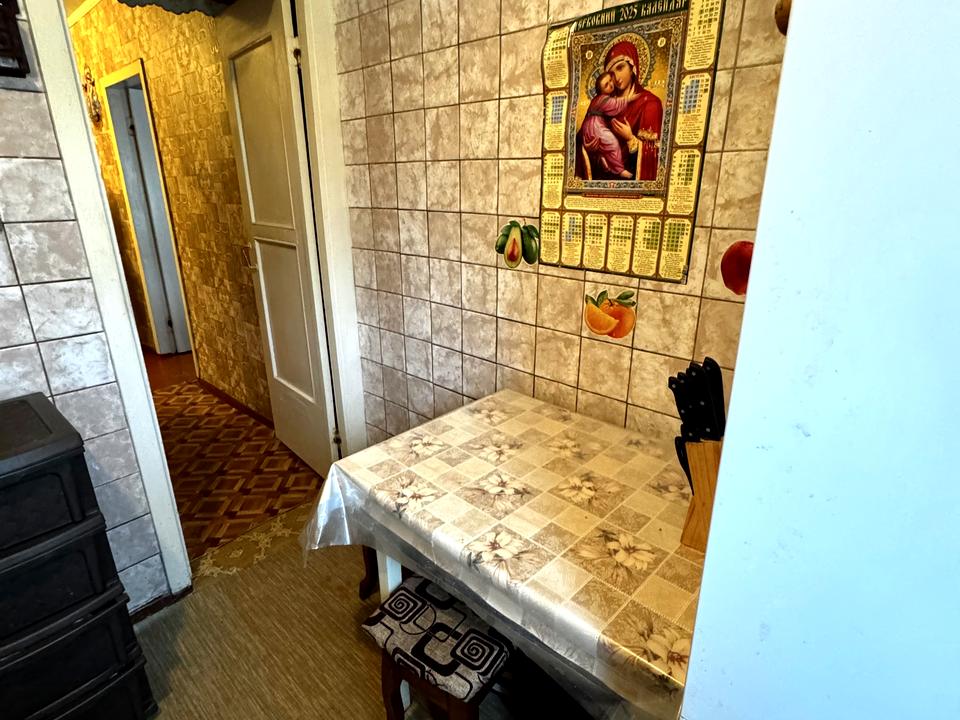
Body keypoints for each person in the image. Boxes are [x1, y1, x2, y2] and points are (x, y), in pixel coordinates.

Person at [576, 39, 663, 182]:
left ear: (632, 66)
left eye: (620, 68)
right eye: (611, 73)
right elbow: (579, 142)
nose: (616, 78)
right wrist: (589, 148)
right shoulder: (603, 103)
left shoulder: (650, 103)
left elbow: (654, 157)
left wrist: (630, 139)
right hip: (602, 185)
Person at [580, 71, 635, 179]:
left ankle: (603, 158)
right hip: (595, 126)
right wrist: (629, 98)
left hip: (588, 127)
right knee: (612, 142)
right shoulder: (604, 99)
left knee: (603, 144)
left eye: (610, 80)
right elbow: (616, 105)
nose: (611, 84)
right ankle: (620, 170)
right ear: (601, 91)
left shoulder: (596, 100)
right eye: (606, 85)